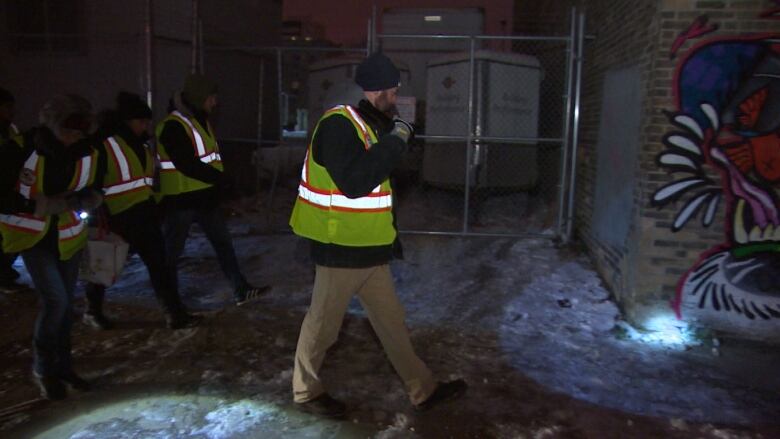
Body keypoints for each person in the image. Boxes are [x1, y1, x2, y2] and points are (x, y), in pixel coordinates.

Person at [289, 52, 467, 418]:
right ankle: (305, 392)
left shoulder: (367, 126)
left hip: (369, 248)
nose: (397, 97)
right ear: (380, 90)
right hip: (340, 247)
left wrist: (396, 136)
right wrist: (396, 139)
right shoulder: (338, 125)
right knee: (323, 326)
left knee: (392, 324)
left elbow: (377, 171)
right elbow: (355, 182)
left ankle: (424, 388)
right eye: (394, 90)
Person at [0, 94, 103, 400]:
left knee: (65, 304)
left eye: (79, 132)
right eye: (68, 131)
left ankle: (64, 367)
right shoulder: (21, 149)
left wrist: (89, 199)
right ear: (53, 126)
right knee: (56, 302)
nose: (73, 138)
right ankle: (45, 368)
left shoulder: (89, 151)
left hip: (68, 236)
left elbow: (95, 186)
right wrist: (39, 204)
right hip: (33, 238)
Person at [83, 92, 201, 330]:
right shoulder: (105, 145)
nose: (146, 125)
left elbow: (144, 180)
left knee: (160, 266)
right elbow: (93, 182)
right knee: (103, 266)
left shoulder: (141, 145)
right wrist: (99, 209)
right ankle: (92, 311)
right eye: (142, 121)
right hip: (115, 217)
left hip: (144, 214)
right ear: (128, 121)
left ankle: (174, 314)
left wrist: (158, 203)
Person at [155, 74, 269, 306]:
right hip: (181, 202)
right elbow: (186, 163)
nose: (214, 102)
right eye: (211, 98)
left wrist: (220, 183)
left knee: (223, 245)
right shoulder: (174, 126)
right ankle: (170, 303)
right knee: (172, 254)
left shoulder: (199, 121)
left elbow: (206, 159)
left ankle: (241, 289)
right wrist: (220, 179)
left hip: (204, 198)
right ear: (198, 98)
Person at [0, 87, 24, 291]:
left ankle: (5, 271)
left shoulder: (11, 129)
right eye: (7, 107)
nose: (11, 111)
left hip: (8, 188)